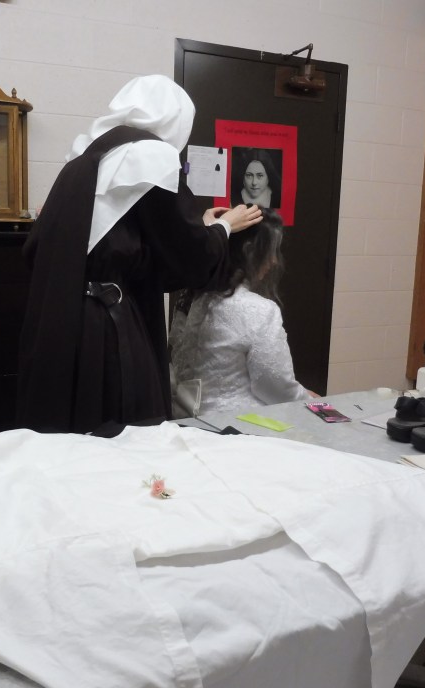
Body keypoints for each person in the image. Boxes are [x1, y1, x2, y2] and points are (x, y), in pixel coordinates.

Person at [16, 75, 263, 434]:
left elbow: (127, 237)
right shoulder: (150, 156)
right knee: (120, 432)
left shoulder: (85, 157)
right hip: (105, 326)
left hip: (61, 317)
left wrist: (202, 224)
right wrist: (225, 227)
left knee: (69, 431)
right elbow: (191, 256)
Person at [169, 209, 312, 415]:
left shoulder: (189, 298)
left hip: (183, 416)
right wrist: (308, 399)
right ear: (249, 251)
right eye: (270, 250)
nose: (273, 260)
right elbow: (275, 387)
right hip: (236, 424)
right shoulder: (260, 310)